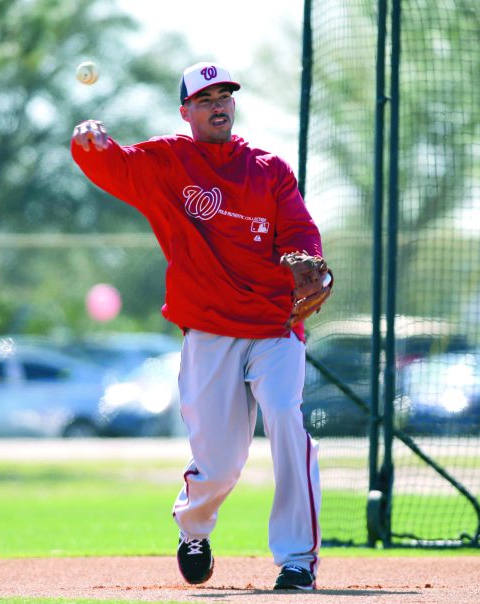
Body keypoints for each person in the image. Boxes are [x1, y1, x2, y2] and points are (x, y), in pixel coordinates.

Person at [71, 61, 325, 591]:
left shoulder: (269, 169)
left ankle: (297, 559)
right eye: (206, 97)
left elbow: (299, 230)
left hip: (274, 326)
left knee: (285, 417)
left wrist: (309, 260)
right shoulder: (167, 160)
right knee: (220, 459)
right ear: (185, 110)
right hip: (209, 329)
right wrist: (88, 142)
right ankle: (194, 528)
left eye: (226, 94)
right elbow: (112, 166)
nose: (219, 104)